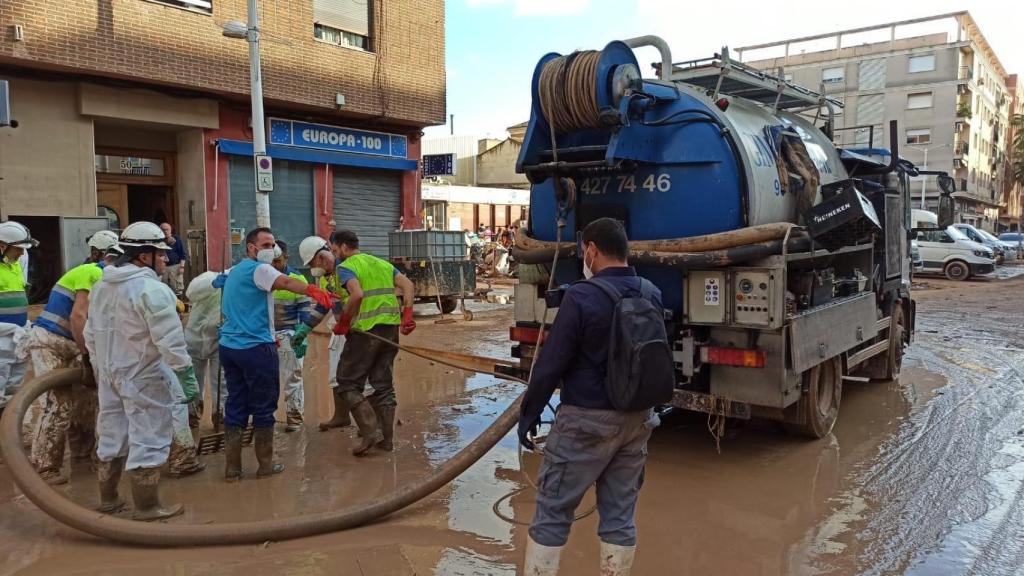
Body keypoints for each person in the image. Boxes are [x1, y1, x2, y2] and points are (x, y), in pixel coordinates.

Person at [517, 218, 662, 576]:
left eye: (584, 252)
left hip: (585, 422)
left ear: (592, 251)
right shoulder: (651, 292)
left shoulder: (581, 296)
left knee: (552, 513)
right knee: (619, 517)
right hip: (637, 421)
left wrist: (529, 413)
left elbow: (551, 363)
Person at [85, 221, 199, 520]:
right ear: (143, 256)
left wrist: (100, 368)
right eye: (160, 254)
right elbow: (171, 341)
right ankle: (147, 507)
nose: (165, 259)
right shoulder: (152, 290)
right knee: (149, 437)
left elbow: (90, 334)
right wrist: (186, 376)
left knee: (111, 433)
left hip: (110, 376)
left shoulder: (101, 287)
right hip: (144, 376)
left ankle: (109, 499)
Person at [218, 227, 335, 481]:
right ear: (251, 247)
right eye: (266, 244)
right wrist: (312, 290)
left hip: (229, 347)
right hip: (256, 348)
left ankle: (232, 469)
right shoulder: (259, 269)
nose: (272, 249)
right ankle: (265, 464)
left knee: (235, 403)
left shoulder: (236, 270)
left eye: (273, 245)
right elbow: (285, 281)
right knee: (263, 406)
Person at [293, 230, 416, 455]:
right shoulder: (380, 263)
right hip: (388, 328)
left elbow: (357, 295)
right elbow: (407, 285)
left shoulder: (346, 267)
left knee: (347, 382)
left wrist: (345, 322)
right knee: (383, 384)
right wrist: (407, 314)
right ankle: (386, 440)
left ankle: (370, 432)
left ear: (340, 247)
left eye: (334, 249)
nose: (333, 253)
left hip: (363, 331)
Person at [23, 230, 120, 484]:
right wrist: (87, 356)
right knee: (59, 402)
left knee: (87, 399)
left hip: (70, 342)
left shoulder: (97, 273)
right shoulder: (93, 273)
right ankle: (45, 467)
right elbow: (79, 317)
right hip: (51, 341)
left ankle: (81, 454)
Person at [270, 240, 311, 432]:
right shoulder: (262, 278)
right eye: (270, 262)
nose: (274, 266)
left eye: (277, 261)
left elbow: (305, 313)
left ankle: (294, 418)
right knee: (265, 379)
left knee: (292, 377)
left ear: (286, 257)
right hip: (265, 335)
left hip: (289, 333)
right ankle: (265, 419)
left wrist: (302, 336)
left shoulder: (298, 280)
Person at [0, 221, 37, 414]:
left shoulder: (13, 267)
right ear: (2, 246)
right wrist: (12, 329)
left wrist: (25, 325)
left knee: (13, 388)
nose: (22, 254)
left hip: (17, 338)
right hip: (3, 339)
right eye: (18, 249)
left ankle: (7, 432)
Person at [183, 271, 228, 429]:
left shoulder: (237, 288)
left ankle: (221, 416)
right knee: (193, 379)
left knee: (221, 380)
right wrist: (213, 284)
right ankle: (191, 415)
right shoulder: (207, 277)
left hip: (219, 338)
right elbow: (191, 293)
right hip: (195, 337)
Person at [159, 223, 187, 295]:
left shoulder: (177, 239)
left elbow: (182, 253)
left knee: (176, 288)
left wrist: (182, 266)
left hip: (175, 266)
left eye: (167, 229)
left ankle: (178, 305)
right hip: (163, 267)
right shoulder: (158, 241)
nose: (165, 231)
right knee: (163, 288)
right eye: (163, 230)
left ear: (170, 230)